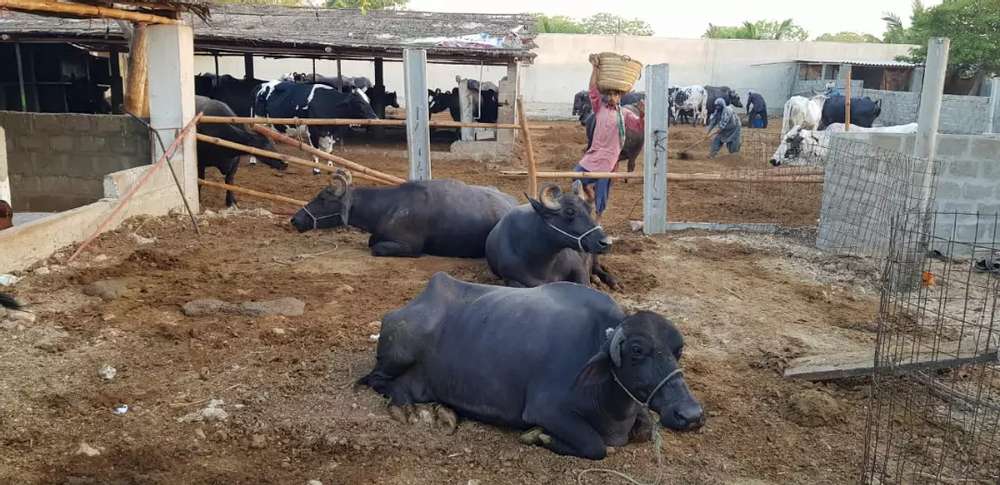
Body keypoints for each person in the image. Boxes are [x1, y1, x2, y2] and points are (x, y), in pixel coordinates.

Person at [573, 54, 645, 220]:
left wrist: (642, 114)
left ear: (620, 96)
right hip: (593, 153)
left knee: (602, 189)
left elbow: (639, 126)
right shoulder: (599, 108)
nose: (612, 97)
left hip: (609, 159)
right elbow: (593, 90)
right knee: (576, 176)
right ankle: (589, 194)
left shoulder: (624, 114)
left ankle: (598, 219)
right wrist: (594, 68)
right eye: (610, 94)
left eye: (615, 94)